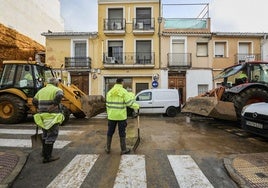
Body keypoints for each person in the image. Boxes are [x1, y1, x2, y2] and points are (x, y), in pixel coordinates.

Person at [32, 77, 65, 163]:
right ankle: (47, 157)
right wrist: (54, 104)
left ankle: (44, 152)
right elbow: (60, 95)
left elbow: (34, 101)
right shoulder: (57, 89)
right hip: (52, 117)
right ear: (56, 83)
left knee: (45, 134)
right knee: (52, 135)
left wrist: (38, 108)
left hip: (43, 116)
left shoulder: (41, 90)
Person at [105, 78, 139, 155]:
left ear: (115, 83)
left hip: (111, 116)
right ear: (122, 83)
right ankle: (123, 149)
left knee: (110, 132)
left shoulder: (109, 92)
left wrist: (109, 113)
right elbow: (129, 103)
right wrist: (137, 106)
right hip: (121, 117)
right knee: (122, 133)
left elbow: (107, 104)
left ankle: (107, 148)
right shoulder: (124, 92)